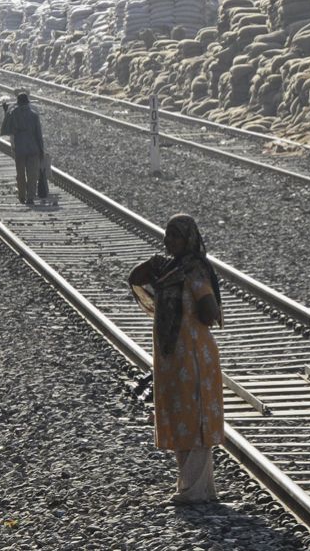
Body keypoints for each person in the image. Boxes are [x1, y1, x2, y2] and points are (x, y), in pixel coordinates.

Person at [128, 215, 225, 505]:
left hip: (194, 354)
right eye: (167, 235)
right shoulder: (168, 268)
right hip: (172, 357)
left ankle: (197, 490)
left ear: (189, 240)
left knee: (197, 419)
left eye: (176, 237)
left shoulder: (195, 271)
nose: (169, 241)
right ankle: (192, 487)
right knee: (180, 417)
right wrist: (157, 264)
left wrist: (186, 291)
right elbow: (135, 277)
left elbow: (209, 312)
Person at [0, 91, 44, 205]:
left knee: (20, 174)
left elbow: (7, 127)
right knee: (32, 174)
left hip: (20, 148)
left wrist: (6, 109)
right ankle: (30, 197)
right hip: (33, 148)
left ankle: (22, 196)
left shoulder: (13, 113)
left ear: (18, 103)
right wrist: (41, 150)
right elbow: (39, 134)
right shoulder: (34, 115)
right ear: (28, 103)